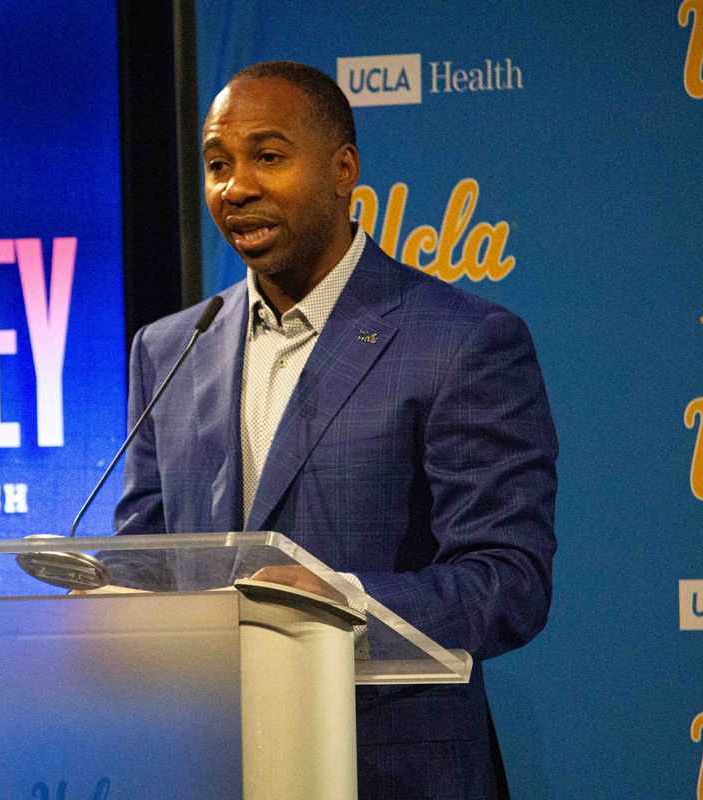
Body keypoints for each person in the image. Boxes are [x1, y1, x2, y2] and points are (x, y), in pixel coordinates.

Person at [113, 61, 557, 798]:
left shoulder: (462, 342)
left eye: (268, 156)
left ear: (343, 169)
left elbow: (509, 583)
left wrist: (339, 604)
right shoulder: (170, 348)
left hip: (393, 771)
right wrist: (104, 603)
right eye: (217, 164)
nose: (236, 187)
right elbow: (147, 557)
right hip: (214, 764)